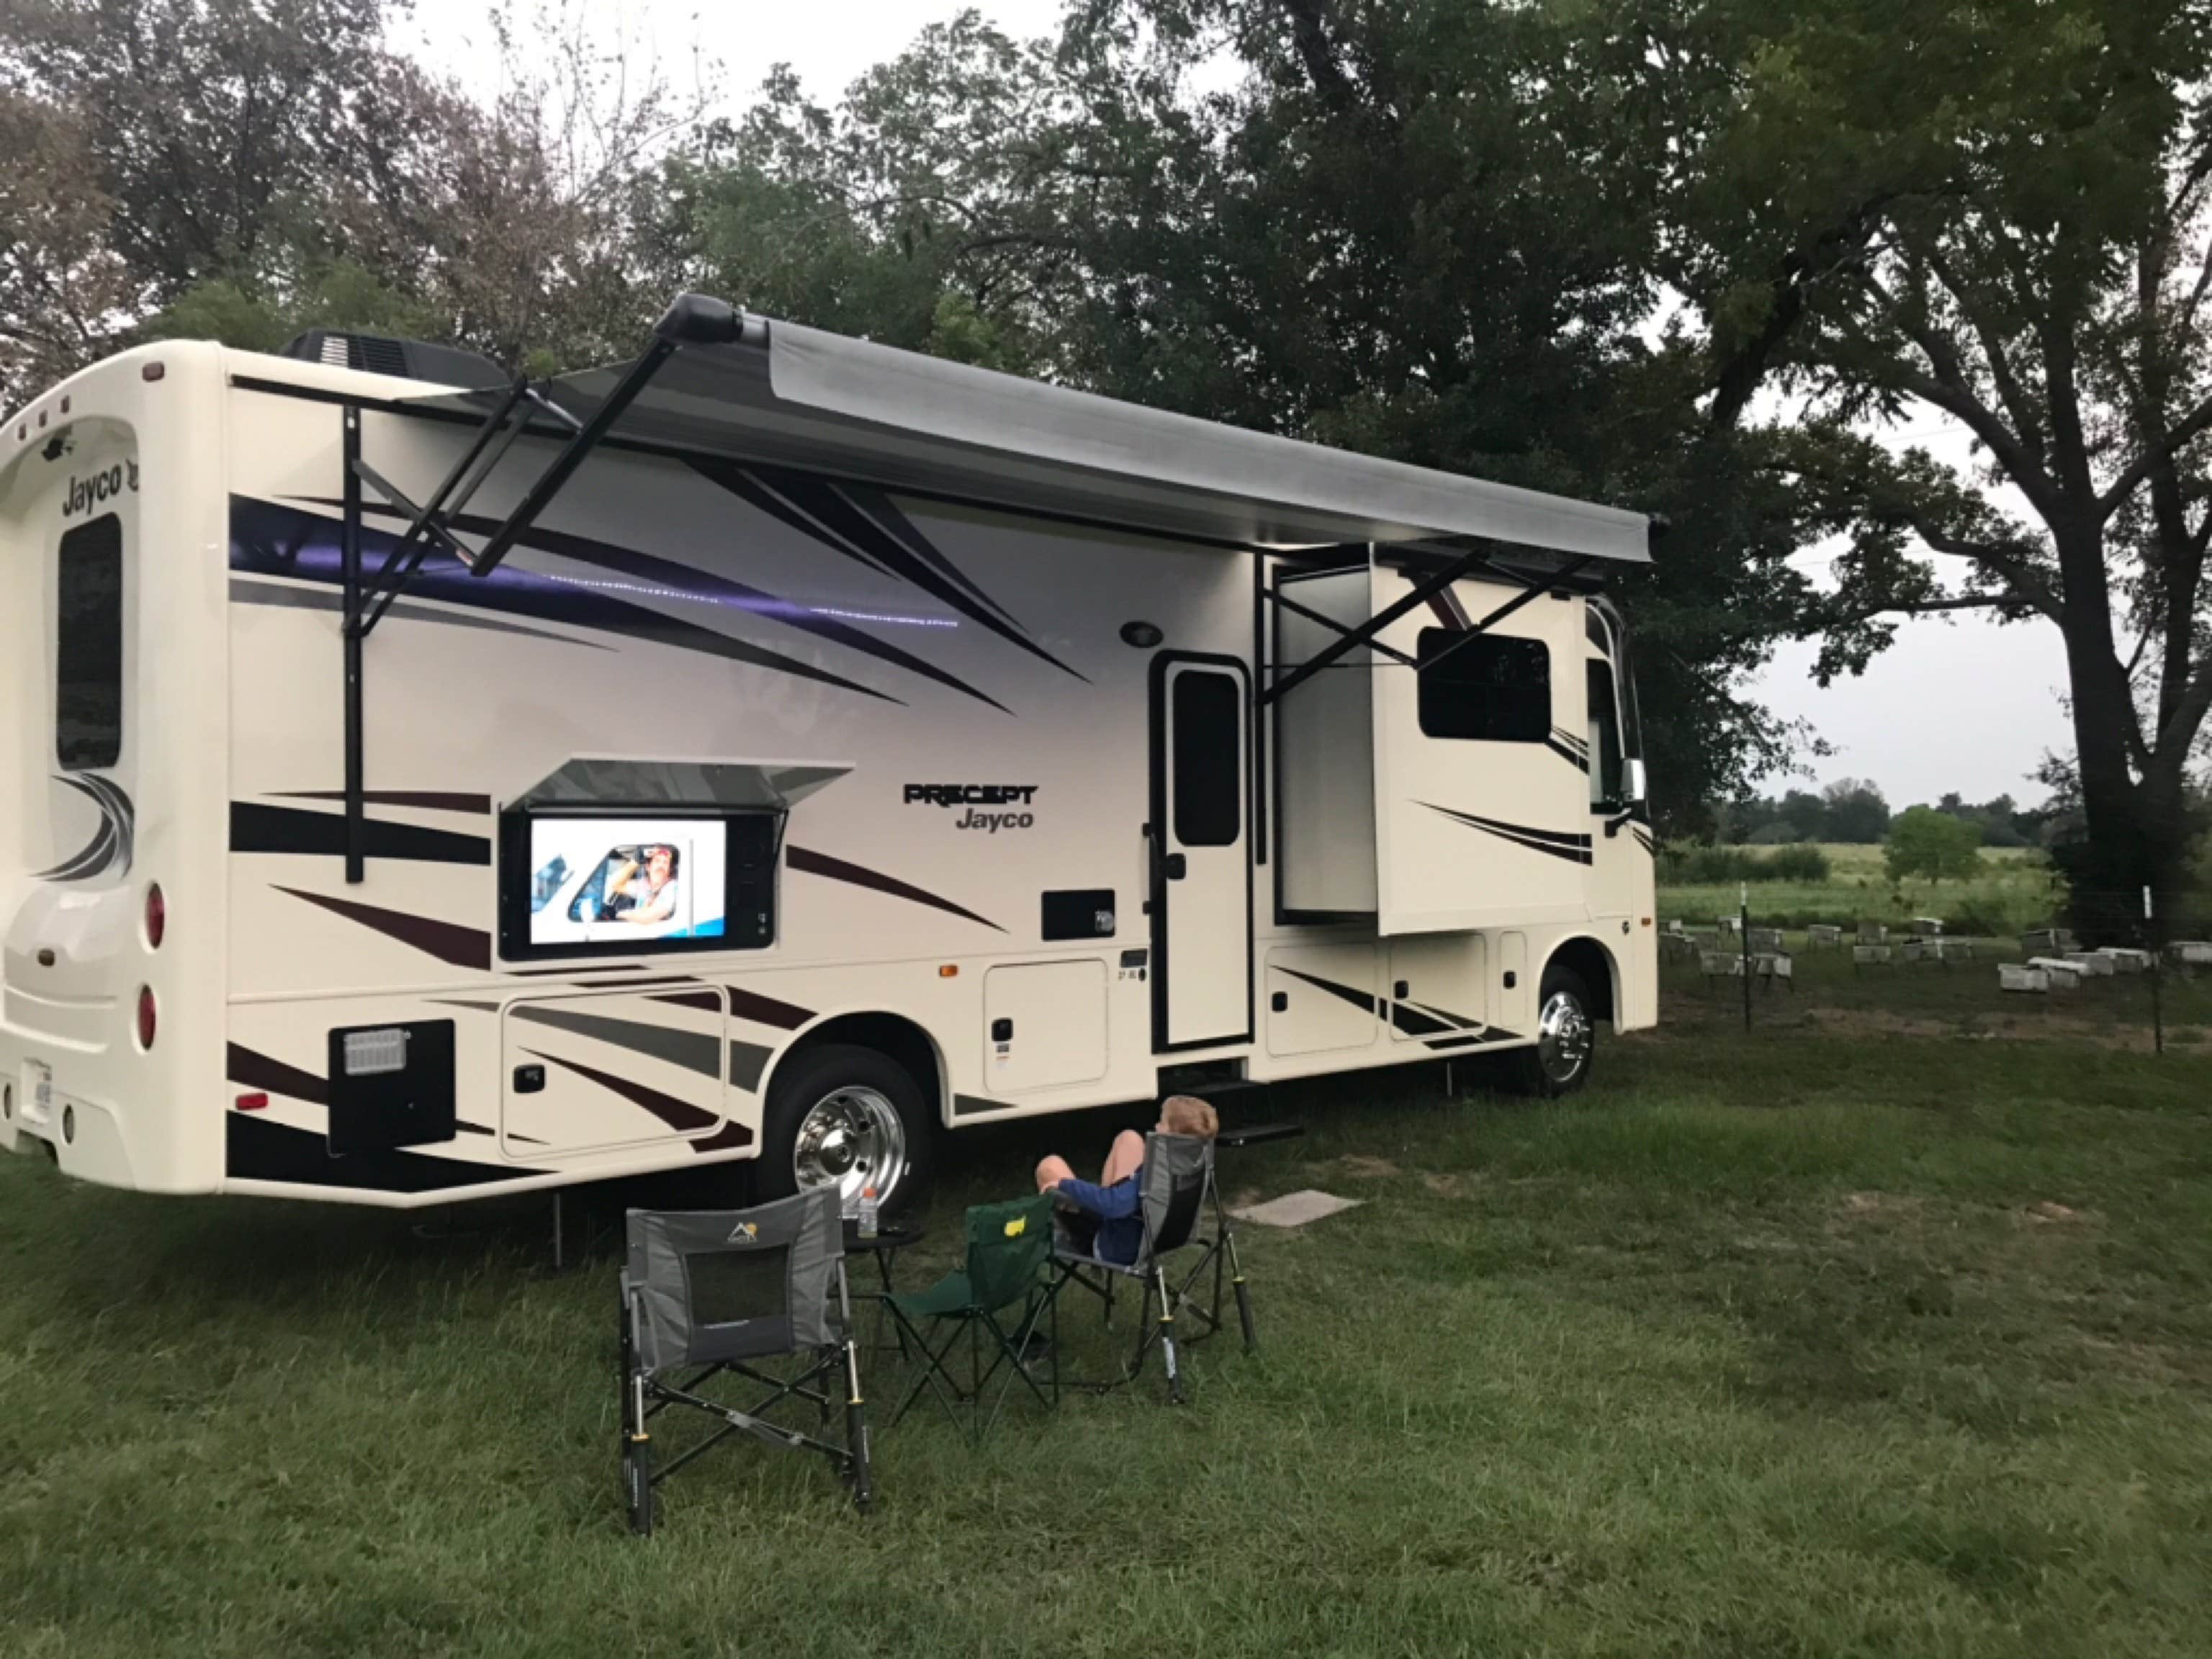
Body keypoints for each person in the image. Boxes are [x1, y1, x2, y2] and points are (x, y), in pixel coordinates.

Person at [1035, 1094, 1218, 1265]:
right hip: (1162, 1235)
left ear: (1172, 1135)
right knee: (1128, 1138)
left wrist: (1064, 1184)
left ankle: (1067, 1238)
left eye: (1162, 1122)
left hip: (1116, 1246)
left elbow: (1113, 1206)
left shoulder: (1155, 1179)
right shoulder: (1188, 1163)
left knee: (1050, 1165)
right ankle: (1094, 1204)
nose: (1156, 1126)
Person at [607, 845, 682, 927]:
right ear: (648, 867)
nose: (661, 865)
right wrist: (635, 861)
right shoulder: (644, 884)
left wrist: (621, 915)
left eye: (665, 862)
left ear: (669, 869)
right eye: (657, 861)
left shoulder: (672, 887)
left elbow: (646, 918)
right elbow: (615, 885)